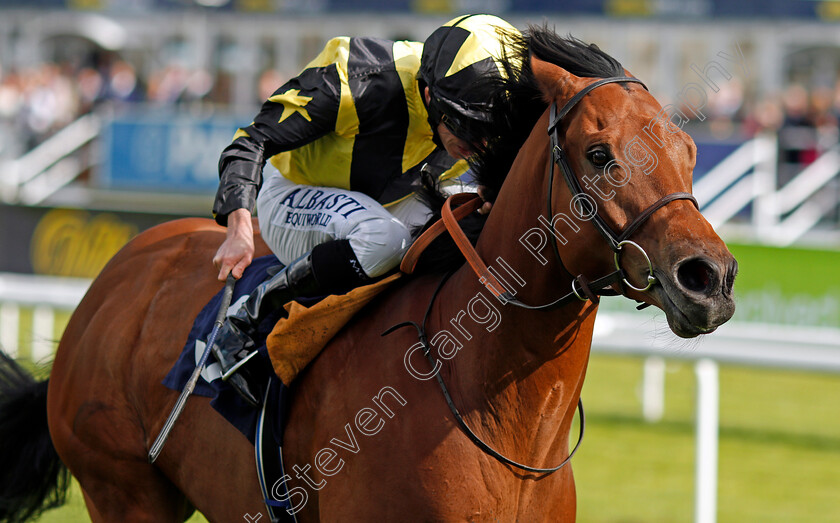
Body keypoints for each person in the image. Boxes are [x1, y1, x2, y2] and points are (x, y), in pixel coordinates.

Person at [210, 14, 519, 405]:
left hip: (389, 198)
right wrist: (238, 225)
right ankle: (245, 317)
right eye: (469, 128)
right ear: (430, 97)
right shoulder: (360, 76)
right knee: (384, 239)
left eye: (493, 130)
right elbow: (249, 142)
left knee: (467, 226)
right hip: (294, 191)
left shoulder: (492, 108)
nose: (481, 145)